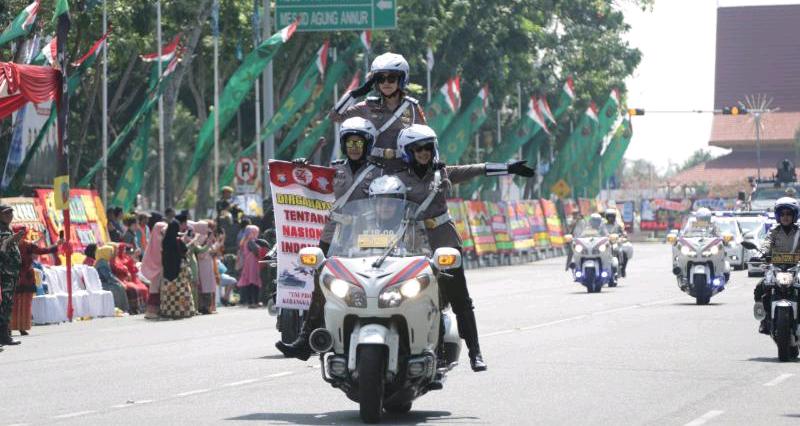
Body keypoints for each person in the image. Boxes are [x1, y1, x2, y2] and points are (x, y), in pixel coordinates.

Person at [392, 124, 534, 372]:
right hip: (411, 246)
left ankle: (475, 352)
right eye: (418, 149)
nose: (424, 153)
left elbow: (477, 170)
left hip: (443, 242)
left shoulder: (442, 173)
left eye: (428, 147)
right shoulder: (395, 180)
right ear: (407, 151)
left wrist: (508, 168)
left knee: (460, 299)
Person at [276, 117, 383, 359]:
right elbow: (310, 188)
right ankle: (305, 341)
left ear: (367, 144)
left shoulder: (379, 172)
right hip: (333, 236)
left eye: (358, 142)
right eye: (349, 142)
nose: (354, 147)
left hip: (368, 237)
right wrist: (301, 169)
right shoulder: (333, 170)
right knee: (321, 287)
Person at [330, 52, 426, 173]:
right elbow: (335, 116)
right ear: (375, 82)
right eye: (381, 79)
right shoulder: (367, 106)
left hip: (403, 171)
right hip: (371, 172)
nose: (386, 83)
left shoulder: (412, 108)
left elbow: (426, 141)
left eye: (391, 78)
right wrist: (355, 94)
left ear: (402, 80)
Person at [754, 197, 800, 334]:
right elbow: (767, 243)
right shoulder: (774, 231)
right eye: (782, 214)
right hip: (776, 268)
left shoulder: (799, 231)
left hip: (796, 268)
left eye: (789, 214)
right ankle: (764, 320)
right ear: (778, 216)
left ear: (794, 215)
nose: (785, 217)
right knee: (760, 287)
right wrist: (761, 253)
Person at [10, 226, 60, 336]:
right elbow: (43, 251)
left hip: (12, 278)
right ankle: (22, 327)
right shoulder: (27, 245)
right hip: (26, 278)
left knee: (12, 303)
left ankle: (9, 327)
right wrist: (57, 245)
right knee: (25, 303)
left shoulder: (9, 245)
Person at [160, 220, 196, 319]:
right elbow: (185, 250)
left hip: (167, 271)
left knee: (169, 294)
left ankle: (168, 311)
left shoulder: (165, 241)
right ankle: (182, 311)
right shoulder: (178, 241)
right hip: (179, 271)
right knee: (181, 292)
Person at [0, 205, 24, 346]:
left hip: (11, 272)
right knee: (5, 304)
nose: (9, 215)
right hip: (5, 272)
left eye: (11, 213)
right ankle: (4, 335)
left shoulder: (7, 229)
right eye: (6, 213)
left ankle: (5, 334)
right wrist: (11, 240)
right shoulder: (2, 230)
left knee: (8, 304)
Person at [141, 221, 167, 319]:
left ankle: (154, 311)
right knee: (155, 290)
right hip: (157, 268)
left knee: (155, 289)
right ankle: (151, 312)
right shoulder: (158, 241)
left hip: (156, 269)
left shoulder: (155, 240)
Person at [95, 245, 130, 313]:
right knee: (118, 288)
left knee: (119, 287)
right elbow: (108, 276)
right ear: (105, 253)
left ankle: (122, 308)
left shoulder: (104, 261)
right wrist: (119, 282)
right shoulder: (102, 263)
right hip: (103, 284)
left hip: (105, 282)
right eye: (110, 252)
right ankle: (120, 308)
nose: (111, 254)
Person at [190, 221, 216, 314]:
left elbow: (212, 250)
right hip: (201, 264)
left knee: (207, 286)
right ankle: (203, 307)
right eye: (205, 227)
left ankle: (206, 307)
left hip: (206, 264)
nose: (207, 230)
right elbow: (200, 252)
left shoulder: (203, 237)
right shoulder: (196, 238)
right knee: (203, 286)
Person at [236, 225, 262, 309]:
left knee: (250, 282)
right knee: (254, 282)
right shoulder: (251, 241)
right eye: (256, 232)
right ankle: (254, 302)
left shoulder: (245, 241)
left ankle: (251, 301)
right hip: (252, 264)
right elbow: (257, 251)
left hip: (248, 264)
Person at [603, 208, 630, 277]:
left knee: (623, 252)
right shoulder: (603, 226)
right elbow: (599, 233)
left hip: (615, 244)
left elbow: (623, 233)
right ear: (606, 217)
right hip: (605, 244)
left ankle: (622, 269)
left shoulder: (618, 225)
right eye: (609, 216)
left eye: (612, 216)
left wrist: (623, 236)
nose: (610, 218)